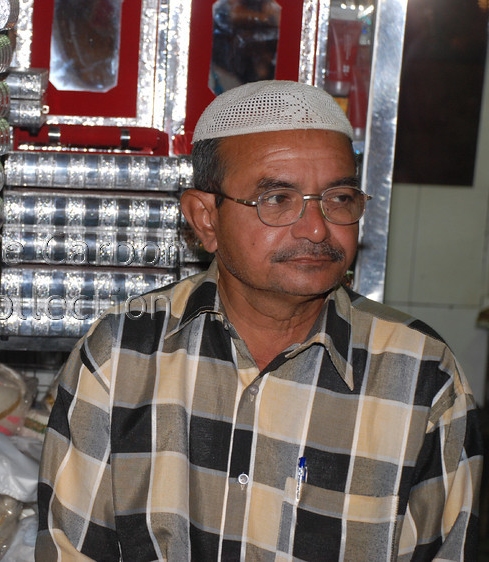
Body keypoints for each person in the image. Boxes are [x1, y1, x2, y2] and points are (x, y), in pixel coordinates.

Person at [36, 80, 483, 560]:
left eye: (339, 199)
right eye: (277, 199)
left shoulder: (420, 375)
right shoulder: (123, 353)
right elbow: (70, 548)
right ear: (205, 219)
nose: (316, 228)